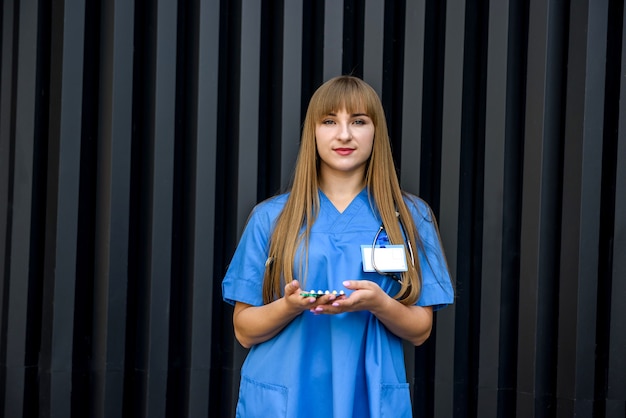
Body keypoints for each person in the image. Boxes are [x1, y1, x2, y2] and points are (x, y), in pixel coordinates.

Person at [222, 75, 454, 418]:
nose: (344, 134)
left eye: (358, 121)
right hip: (287, 397)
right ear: (313, 132)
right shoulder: (270, 218)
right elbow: (243, 330)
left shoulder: (409, 217)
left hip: (367, 396)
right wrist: (289, 305)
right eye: (330, 121)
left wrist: (379, 303)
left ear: (376, 131)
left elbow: (420, 330)